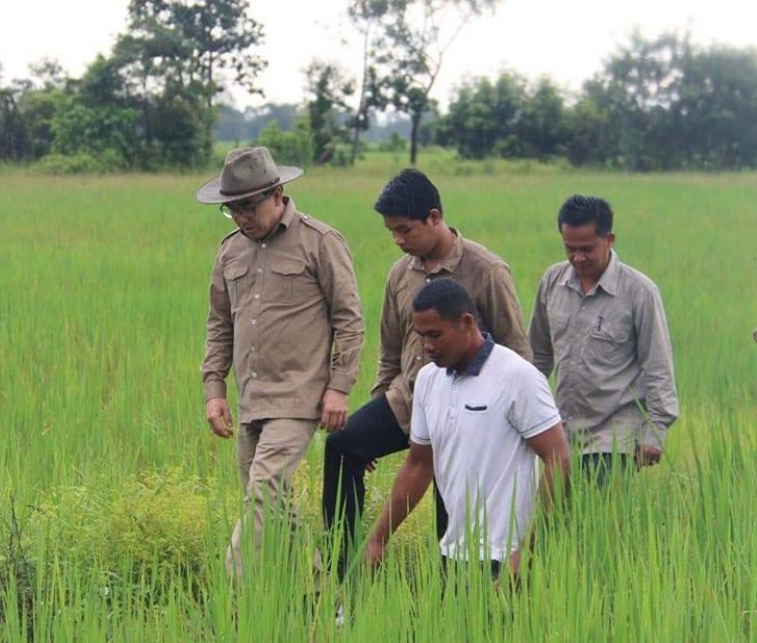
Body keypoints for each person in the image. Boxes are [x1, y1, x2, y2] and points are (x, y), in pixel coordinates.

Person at [322, 168, 531, 579]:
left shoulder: (486, 270)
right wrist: (377, 409)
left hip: (467, 412)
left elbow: (518, 352)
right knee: (343, 446)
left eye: (405, 230)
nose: (399, 240)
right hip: (408, 399)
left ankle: (452, 590)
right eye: (392, 232)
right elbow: (390, 350)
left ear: (434, 217)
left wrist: (511, 428)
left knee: (450, 507)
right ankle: (344, 569)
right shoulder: (401, 273)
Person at [198, 146, 365, 579]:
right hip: (251, 398)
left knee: (263, 491)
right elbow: (219, 324)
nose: (241, 218)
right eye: (232, 210)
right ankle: (318, 593)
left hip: (298, 397)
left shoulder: (319, 242)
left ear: (277, 194)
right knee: (272, 506)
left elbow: (349, 320)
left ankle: (229, 591)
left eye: (249, 207)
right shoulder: (230, 252)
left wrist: (339, 388)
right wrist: (214, 389)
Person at [364, 278, 569, 579]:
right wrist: (379, 538)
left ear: (467, 323)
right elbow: (419, 464)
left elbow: (558, 457)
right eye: (421, 336)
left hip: (505, 555)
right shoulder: (428, 380)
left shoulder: (516, 376)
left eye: (435, 335)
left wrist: (528, 550)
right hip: (454, 551)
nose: (427, 346)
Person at [529, 195, 679, 482]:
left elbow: (657, 366)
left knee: (602, 511)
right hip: (560, 434)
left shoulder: (639, 292)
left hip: (614, 438)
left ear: (609, 239)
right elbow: (538, 357)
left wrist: (655, 432)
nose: (578, 258)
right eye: (570, 248)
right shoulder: (552, 281)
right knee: (552, 510)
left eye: (587, 249)